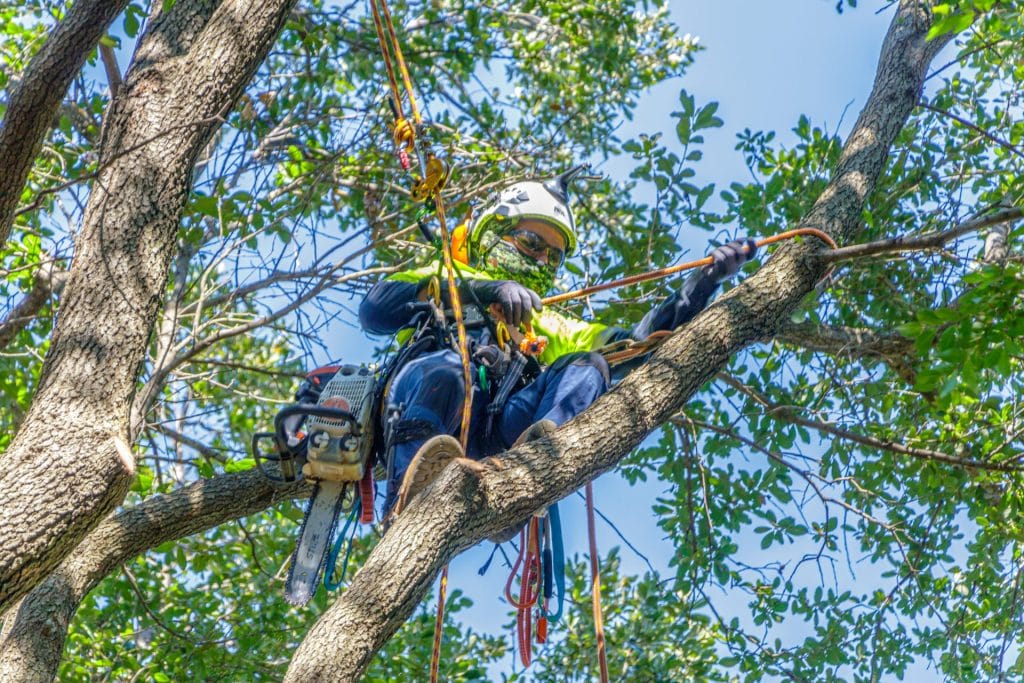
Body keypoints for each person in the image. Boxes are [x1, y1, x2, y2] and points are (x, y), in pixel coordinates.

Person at [358, 170, 756, 522]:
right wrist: (484, 289)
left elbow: (638, 344)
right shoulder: (443, 272)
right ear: (493, 232)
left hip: (497, 430)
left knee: (588, 366)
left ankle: (527, 476)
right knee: (447, 372)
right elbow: (375, 311)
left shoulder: (546, 321)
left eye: (552, 256)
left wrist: (700, 284)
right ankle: (408, 505)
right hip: (430, 401)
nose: (541, 259)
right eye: (532, 242)